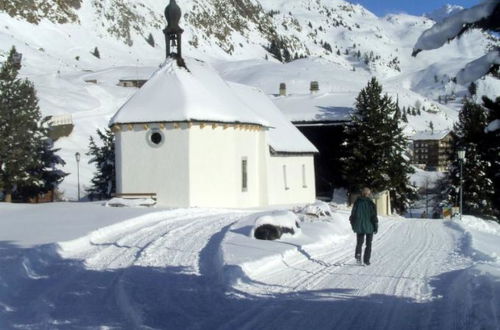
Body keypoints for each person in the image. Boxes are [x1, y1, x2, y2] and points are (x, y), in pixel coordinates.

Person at [349, 187, 378, 265]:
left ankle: (358, 256)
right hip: (370, 227)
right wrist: (375, 227)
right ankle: (366, 260)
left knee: (359, 243)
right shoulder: (371, 203)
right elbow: (374, 217)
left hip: (359, 226)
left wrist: (353, 225)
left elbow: (353, 215)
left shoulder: (357, 202)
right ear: (368, 194)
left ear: (362, 193)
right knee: (368, 244)